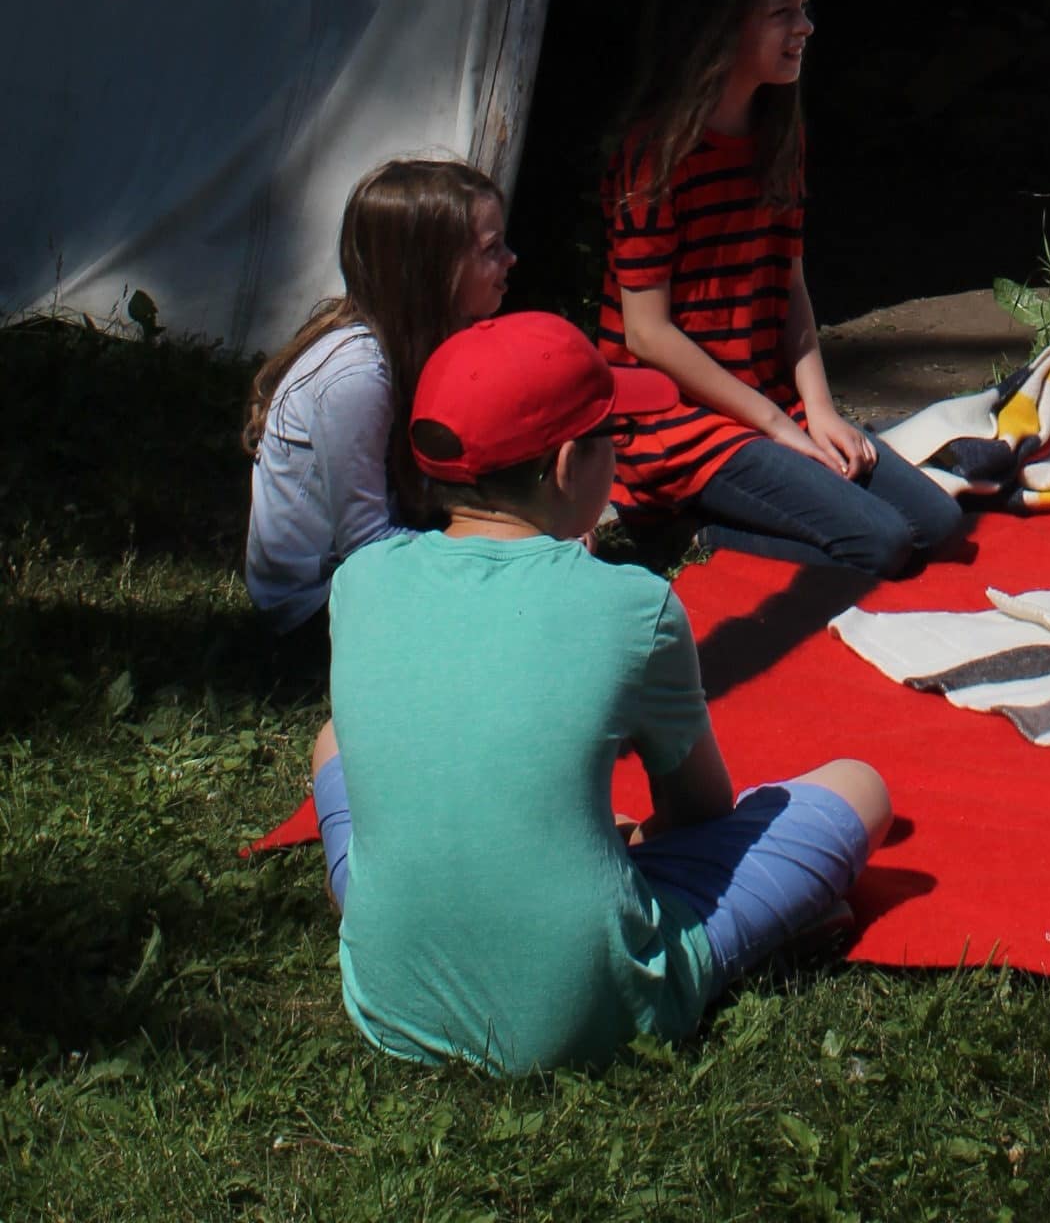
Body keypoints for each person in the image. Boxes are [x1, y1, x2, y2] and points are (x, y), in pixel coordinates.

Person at [311, 309, 889, 1073]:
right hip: (586, 1010)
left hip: (389, 994)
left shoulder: (360, 581)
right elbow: (700, 814)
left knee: (331, 741)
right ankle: (714, 940)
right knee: (861, 789)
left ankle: (411, 900)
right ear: (563, 468)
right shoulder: (633, 606)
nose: (620, 451)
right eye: (611, 436)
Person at [596, 0, 965, 582]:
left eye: (804, 8)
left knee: (937, 524)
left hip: (761, 400)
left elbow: (789, 286)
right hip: (675, 420)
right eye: (782, 13)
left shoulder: (777, 138)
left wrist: (818, 411)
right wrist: (775, 423)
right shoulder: (654, 157)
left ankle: (774, 493)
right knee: (881, 546)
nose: (806, 27)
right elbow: (647, 334)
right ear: (720, 26)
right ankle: (688, 533)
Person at [244, 158, 515, 643]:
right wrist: (501, 551)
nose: (511, 259)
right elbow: (365, 545)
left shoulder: (436, 341)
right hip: (316, 602)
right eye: (492, 249)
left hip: (382, 559)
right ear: (434, 270)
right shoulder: (357, 376)